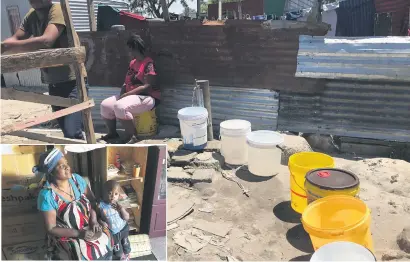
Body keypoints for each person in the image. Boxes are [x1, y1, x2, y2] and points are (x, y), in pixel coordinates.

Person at [1, 0, 87, 140]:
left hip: (72, 82)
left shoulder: (57, 10)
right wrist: (5, 46)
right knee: (67, 132)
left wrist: (8, 46)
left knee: (73, 133)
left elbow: (47, 40)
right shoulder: (32, 15)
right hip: (53, 82)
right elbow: (16, 38)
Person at [34, 148, 113, 260]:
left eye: (66, 163)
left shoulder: (77, 180)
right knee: (79, 249)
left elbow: (92, 201)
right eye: (61, 166)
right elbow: (51, 228)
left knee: (107, 234)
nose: (67, 167)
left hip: (88, 225)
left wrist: (94, 221)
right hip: (68, 234)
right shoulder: (47, 195)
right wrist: (79, 234)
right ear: (51, 172)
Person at [100, 34, 161, 144]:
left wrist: (126, 95)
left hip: (147, 97)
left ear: (135, 49)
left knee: (120, 106)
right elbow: (126, 82)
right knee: (106, 105)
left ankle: (132, 136)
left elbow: (148, 86)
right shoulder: (132, 63)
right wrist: (122, 94)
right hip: (131, 95)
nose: (128, 52)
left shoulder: (148, 64)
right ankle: (112, 133)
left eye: (130, 49)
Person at [98, 180, 131, 260]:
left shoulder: (117, 204)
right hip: (114, 233)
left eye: (116, 194)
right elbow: (97, 217)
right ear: (103, 193)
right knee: (118, 251)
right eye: (110, 193)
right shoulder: (100, 206)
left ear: (119, 195)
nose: (113, 196)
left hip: (124, 229)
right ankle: (120, 257)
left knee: (126, 246)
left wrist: (122, 209)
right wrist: (101, 222)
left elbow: (127, 217)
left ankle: (127, 256)